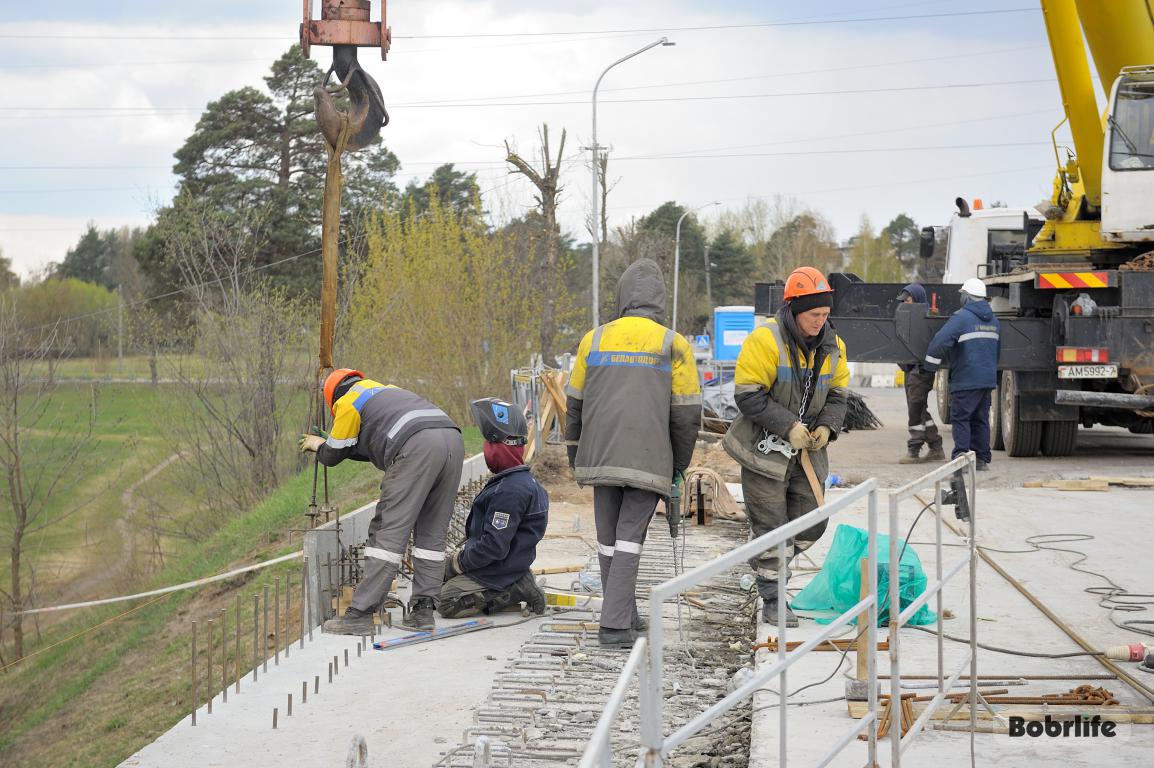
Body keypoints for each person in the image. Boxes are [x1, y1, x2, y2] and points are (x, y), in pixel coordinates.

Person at [565, 258, 701, 649]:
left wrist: (577, 455)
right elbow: (686, 414)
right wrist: (677, 466)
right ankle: (613, 627)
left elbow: (574, 405)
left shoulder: (594, 339)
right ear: (660, 299)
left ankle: (623, 614)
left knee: (609, 539)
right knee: (628, 540)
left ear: (622, 295)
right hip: (647, 457)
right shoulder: (673, 343)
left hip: (599, 454)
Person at [724, 266, 850, 627]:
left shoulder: (834, 346)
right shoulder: (765, 341)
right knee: (770, 524)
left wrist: (827, 426)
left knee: (812, 521)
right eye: (814, 315)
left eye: (825, 314)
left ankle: (768, 560)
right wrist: (788, 425)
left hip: (807, 453)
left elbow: (839, 394)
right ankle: (774, 597)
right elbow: (748, 395)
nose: (820, 322)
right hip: (763, 450)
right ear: (794, 310)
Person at [299, 368, 464, 634]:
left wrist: (319, 444)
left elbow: (332, 455)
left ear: (332, 397)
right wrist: (335, 444)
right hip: (452, 440)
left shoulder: (347, 402)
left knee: (388, 531)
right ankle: (423, 611)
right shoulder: (387, 391)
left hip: (417, 446)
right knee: (432, 533)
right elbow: (370, 445)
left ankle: (361, 614)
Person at [439, 398, 549, 618]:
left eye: (489, 443)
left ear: (500, 448)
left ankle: (516, 587)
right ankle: (514, 582)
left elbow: (493, 547)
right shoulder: (517, 482)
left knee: (446, 601)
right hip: (506, 563)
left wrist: (457, 563)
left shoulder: (509, 492)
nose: (485, 448)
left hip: (498, 569)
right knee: (433, 583)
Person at [923, 278, 1001, 471]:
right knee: (980, 419)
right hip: (986, 380)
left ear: (967, 297)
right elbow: (997, 352)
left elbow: (939, 342)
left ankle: (962, 459)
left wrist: (929, 367)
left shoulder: (961, 318)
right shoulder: (994, 320)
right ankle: (981, 460)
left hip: (966, 379)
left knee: (961, 418)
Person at [896, 283, 946, 464]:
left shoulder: (929, 318)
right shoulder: (904, 316)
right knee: (920, 409)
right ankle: (936, 446)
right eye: (903, 301)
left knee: (915, 410)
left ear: (917, 300)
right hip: (910, 370)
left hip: (921, 370)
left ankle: (914, 449)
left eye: (908, 300)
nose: (904, 304)